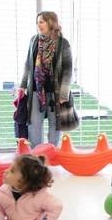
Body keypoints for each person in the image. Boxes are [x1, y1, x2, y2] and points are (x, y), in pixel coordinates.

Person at [19, 11, 73, 146]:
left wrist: (63, 94)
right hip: (37, 90)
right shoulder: (34, 40)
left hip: (56, 92)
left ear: (50, 23)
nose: (38, 25)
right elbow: (28, 64)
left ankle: (52, 153)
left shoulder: (63, 43)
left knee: (55, 124)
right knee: (34, 123)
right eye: (37, 23)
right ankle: (37, 156)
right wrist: (23, 85)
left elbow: (67, 70)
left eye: (41, 22)